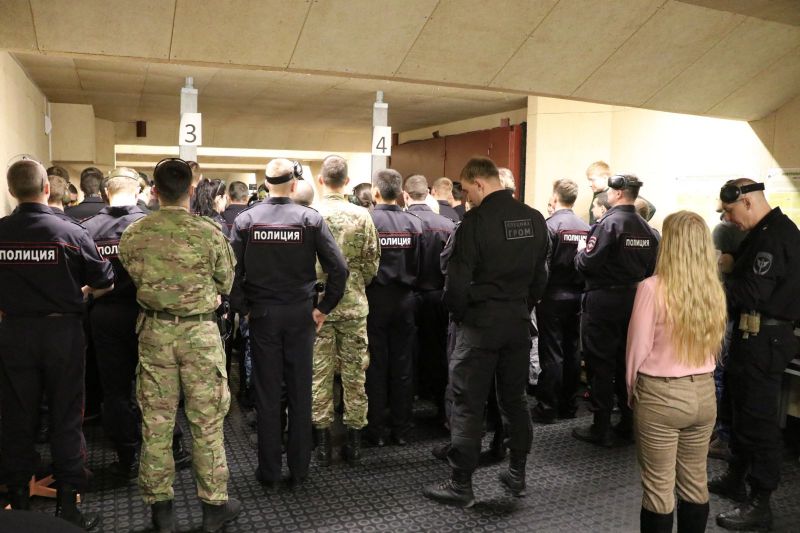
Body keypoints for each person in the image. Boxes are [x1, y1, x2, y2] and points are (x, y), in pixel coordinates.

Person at [118, 158, 240, 533]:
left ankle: (162, 514)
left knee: (156, 425)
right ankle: (214, 508)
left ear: (154, 191)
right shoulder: (209, 232)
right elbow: (226, 281)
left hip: (155, 333)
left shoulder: (135, 233)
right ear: (191, 189)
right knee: (207, 423)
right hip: (200, 334)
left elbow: (133, 273)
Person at [422, 157, 547, 507]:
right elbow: (541, 277)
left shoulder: (474, 223)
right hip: (518, 323)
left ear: (479, 183)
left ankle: (461, 484)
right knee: (515, 400)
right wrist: (521, 304)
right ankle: (517, 474)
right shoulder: (535, 219)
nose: (466, 198)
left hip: (479, 326)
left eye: (466, 190)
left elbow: (456, 285)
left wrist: (462, 316)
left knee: (468, 402)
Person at [0, 159, 114, 529]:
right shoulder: (70, 232)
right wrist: (81, 291)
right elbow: (105, 280)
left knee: (17, 419)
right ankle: (69, 508)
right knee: (67, 418)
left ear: (11, 191)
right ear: (47, 189)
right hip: (62, 333)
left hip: (14, 332)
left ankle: (18, 506)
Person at [230, 158, 348, 489]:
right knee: (300, 392)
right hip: (301, 316)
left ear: (266, 185)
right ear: (294, 185)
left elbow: (230, 272)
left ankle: (269, 472)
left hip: (263, 315)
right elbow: (339, 269)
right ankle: (299, 472)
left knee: (267, 395)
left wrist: (243, 309)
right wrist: (323, 308)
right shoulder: (310, 219)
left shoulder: (246, 220)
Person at [627, 210, 727, 532]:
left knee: (658, 489)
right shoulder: (713, 290)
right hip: (704, 394)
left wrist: (632, 392)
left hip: (661, 396)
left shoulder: (651, 288)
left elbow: (637, 350)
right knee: (695, 483)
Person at [710, 178, 800, 531]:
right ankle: (736, 477)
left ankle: (760, 500)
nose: (728, 219)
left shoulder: (774, 237)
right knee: (738, 411)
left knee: (758, 421)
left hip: (764, 338)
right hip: (754, 336)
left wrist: (718, 279)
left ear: (747, 202)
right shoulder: (762, 233)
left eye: (730, 211)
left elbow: (751, 293)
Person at [573, 173, 659, 447]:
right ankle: (627, 422)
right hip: (635, 300)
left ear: (618, 193)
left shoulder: (609, 224)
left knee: (600, 363)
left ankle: (601, 427)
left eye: (610, 190)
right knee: (626, 362)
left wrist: (579, 252)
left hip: (603, 301)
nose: (607, 194)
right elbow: (650, 268)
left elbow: (587, 263)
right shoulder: (646, 228)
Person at [311, 155, 380, 465]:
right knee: (355, 376)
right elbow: (372, 263)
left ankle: (323, 444)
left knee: (319, 376)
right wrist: (355, 284)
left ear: (321, 180)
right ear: (347, 182)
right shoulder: (363, 216)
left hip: (319, 309)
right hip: (354, 306)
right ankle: (354, 444)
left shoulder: (311, 215)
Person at [82, 167, 150, 481]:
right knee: (156, 386)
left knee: (115, 390)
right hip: (147, 315)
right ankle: (166, 450)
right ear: (138, 190)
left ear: (106, 192)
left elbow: (83, 278)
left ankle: (127, 457)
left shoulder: (88, 228)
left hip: (105, 315)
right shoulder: (150, 224)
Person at [364, 169, 424, 447]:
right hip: (405, 299)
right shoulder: (414, 223)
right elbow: (419, 264)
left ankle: (375, 429)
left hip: (375, 299)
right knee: (403, 364)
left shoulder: (368, 221)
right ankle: (401, 428)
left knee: (375, 364)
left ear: (376, 192)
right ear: (401, 193)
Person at [531, 178, 590, 424]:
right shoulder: (586, 228)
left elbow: (542, 266)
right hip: (577, 296)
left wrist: (536, 294)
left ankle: (547, 407)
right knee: (572, 350)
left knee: (551, 352)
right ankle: (569, 405)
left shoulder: (550, 226)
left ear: (555, 198)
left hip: (552, 296)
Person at [403, 175, 456, 423]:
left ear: (406, 195)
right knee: (439, 351)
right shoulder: (447, 225)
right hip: (438, 296)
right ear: (428, 194)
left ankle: (406, 408)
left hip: (409, 296)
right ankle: (441, 406)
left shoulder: (403, 224)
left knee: (408, 353)